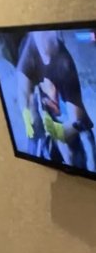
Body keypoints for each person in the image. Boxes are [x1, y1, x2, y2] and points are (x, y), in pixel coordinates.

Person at [17, 30, 96, 172]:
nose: (42, 39)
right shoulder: (30, 44)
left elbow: (77, 122)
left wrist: (55, 132)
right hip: (49, 118)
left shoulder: (65, 66)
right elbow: (23, 90)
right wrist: (27, 116)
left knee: (80, 166)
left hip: (75, 129)